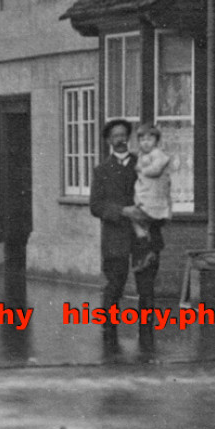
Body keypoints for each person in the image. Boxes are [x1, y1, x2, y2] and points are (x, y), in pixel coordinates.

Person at [89, 118, 158, 348]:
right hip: (115, 237)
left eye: (123, 135)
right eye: (115, 136)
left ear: (128, 138)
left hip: (143, 237)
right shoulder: (101, 171)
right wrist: (122, 211)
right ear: (109, 141)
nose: (120, 140)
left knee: (146, 288)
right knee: (115, 285)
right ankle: (110, 337)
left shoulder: (143, 165)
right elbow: (96, 206)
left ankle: (147, 339)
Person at [127, 123, 173, 272]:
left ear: (156, 141)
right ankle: (148, 252)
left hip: (153, 195)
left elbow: (156, 169)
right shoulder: (143, 155)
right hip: (145, 192)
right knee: (139, 219)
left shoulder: (158, 154)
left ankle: (147, 247)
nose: (145, 142)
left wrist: (142, 169)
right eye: (142, 140)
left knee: (139, 215)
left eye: (149, 139)